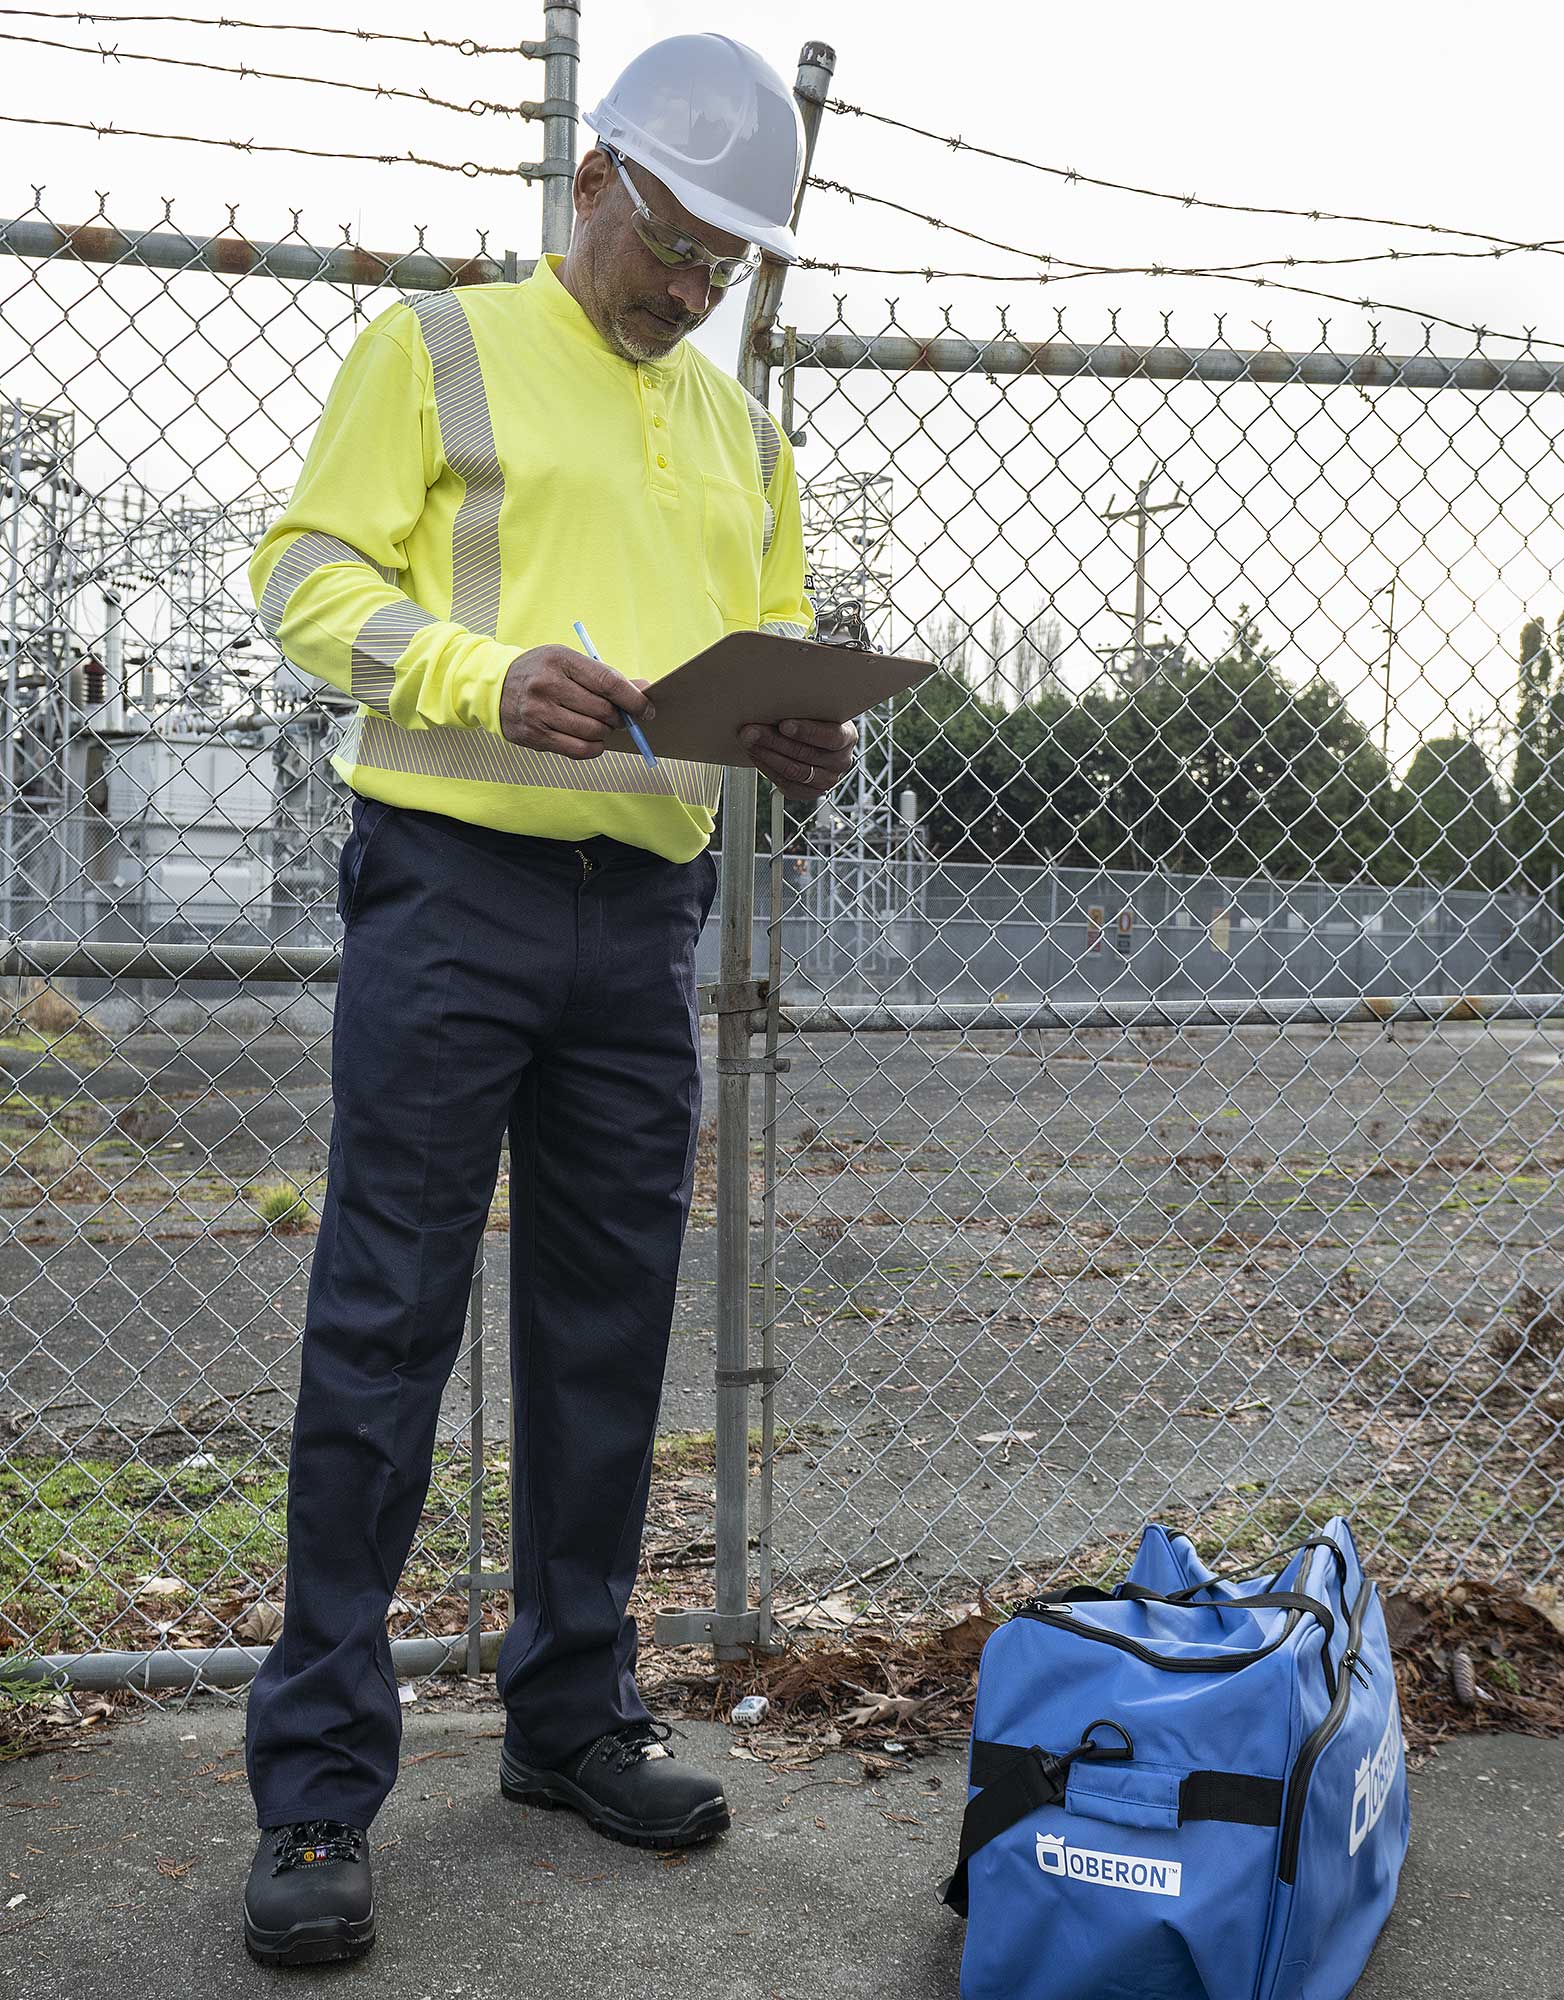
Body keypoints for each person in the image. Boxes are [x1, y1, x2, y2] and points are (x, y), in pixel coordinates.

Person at [236, 32, 852, 1968]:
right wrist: (473, 672)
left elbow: (763, 658)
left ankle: (569, 1715)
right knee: (383, 1324)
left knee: (603, 1335)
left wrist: (794, 741)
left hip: (640, 912)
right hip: (454, 889)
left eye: (723, 269)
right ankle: (320, 1788)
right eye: (671, 246)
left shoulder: (746, 439)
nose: (687, 292)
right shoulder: (434, 349)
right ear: (593, 181)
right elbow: (304, 574)